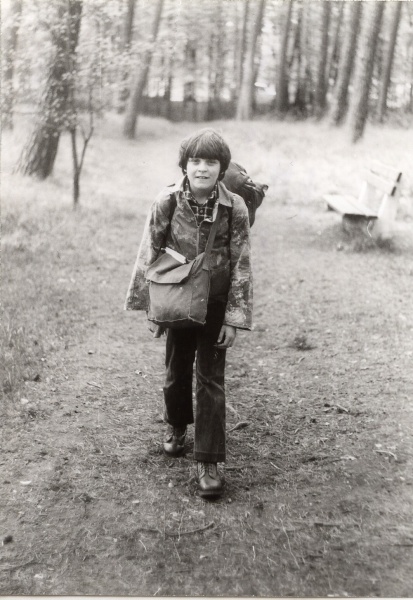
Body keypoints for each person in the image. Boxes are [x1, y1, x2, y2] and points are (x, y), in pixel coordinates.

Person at [125, 128, 252, 499]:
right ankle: (177, 425)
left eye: (210, 162)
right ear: (185, 165)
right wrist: (150, 308)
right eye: (195, 161)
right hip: (177, 297)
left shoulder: (235, 207)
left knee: (210, 379)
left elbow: (242, 263)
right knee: (176, 369)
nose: (202, 168)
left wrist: (233, 318)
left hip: (215, 301)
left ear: (221, 168)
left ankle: (208, 461)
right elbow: (149, 252)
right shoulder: (167, 200)